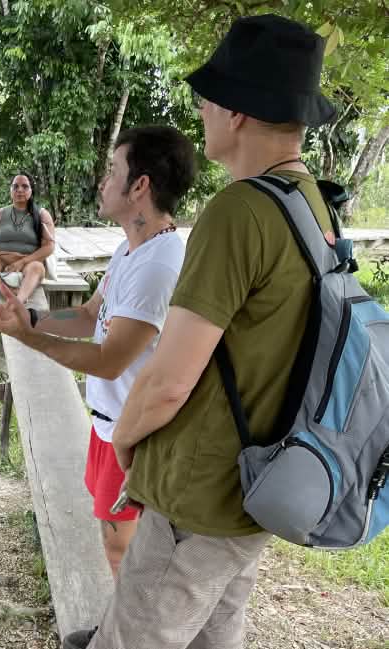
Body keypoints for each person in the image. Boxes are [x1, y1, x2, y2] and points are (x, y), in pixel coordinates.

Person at [62, 15, 338, 649]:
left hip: (200, 495)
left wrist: (127, 444)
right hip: (262, 485)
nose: (205, 110)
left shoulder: (238, 211)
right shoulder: (312, 203)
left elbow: (166, 382)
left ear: (238, 111)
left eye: (210, 98)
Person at [0, 126, 196, 581]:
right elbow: (91, 315)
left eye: (113, 170)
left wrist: (29, 340)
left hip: (137, 433)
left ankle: (130, 632)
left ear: (140, 186)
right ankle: (123, 626)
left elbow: (108, 359)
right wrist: (30, 320)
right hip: (108, 423)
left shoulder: (159, 264)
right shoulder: (130, 250)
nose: (102, 180)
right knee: (116, 545)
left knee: (126, 553)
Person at [0, 172, 55, 304]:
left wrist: (22, 262)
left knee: (38, 268)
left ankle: (19, 301)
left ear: (31, 191)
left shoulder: (41, 214)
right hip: (0, 263)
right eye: (15, 186)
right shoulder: (1, 214)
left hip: (28, 264)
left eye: (25, 186)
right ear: (10, 190)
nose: (19, 190)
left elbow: (49, 247)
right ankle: (6, 289)